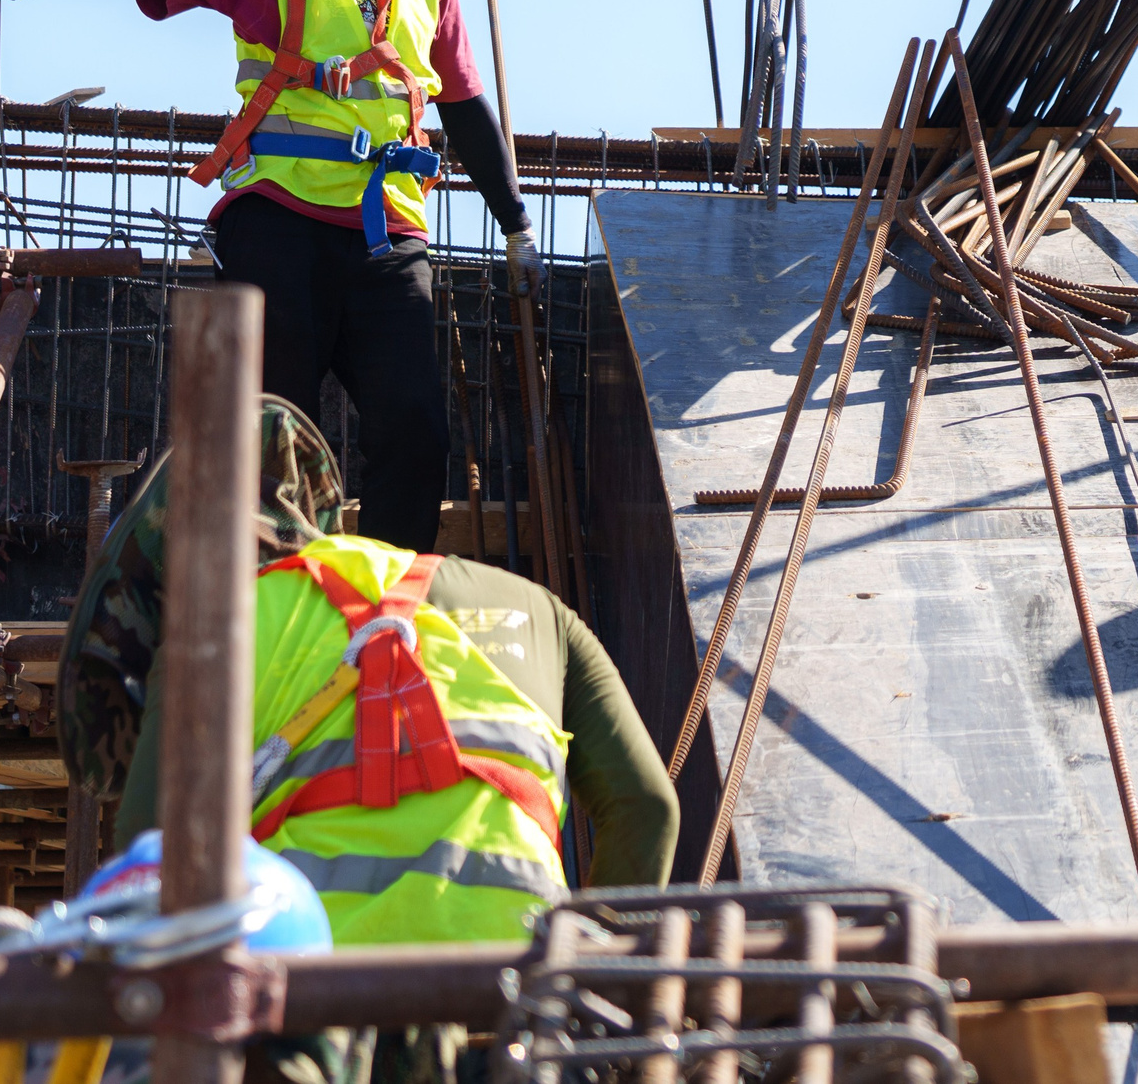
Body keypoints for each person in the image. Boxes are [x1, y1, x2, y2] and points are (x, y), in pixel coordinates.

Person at [0, 0, 534, 553]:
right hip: (277, 218)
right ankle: (272, 613)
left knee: (416, 434)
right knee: (276, 433)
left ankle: (379, 623)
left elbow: (467, 107)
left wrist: (514, 224)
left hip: (387, 236)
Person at [62, 397, 681, 941]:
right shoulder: (539, 608)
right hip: (518, 998)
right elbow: (648, 807)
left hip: (320, 1011)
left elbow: (150, 864)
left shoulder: (214, 630)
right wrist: (585, 979)